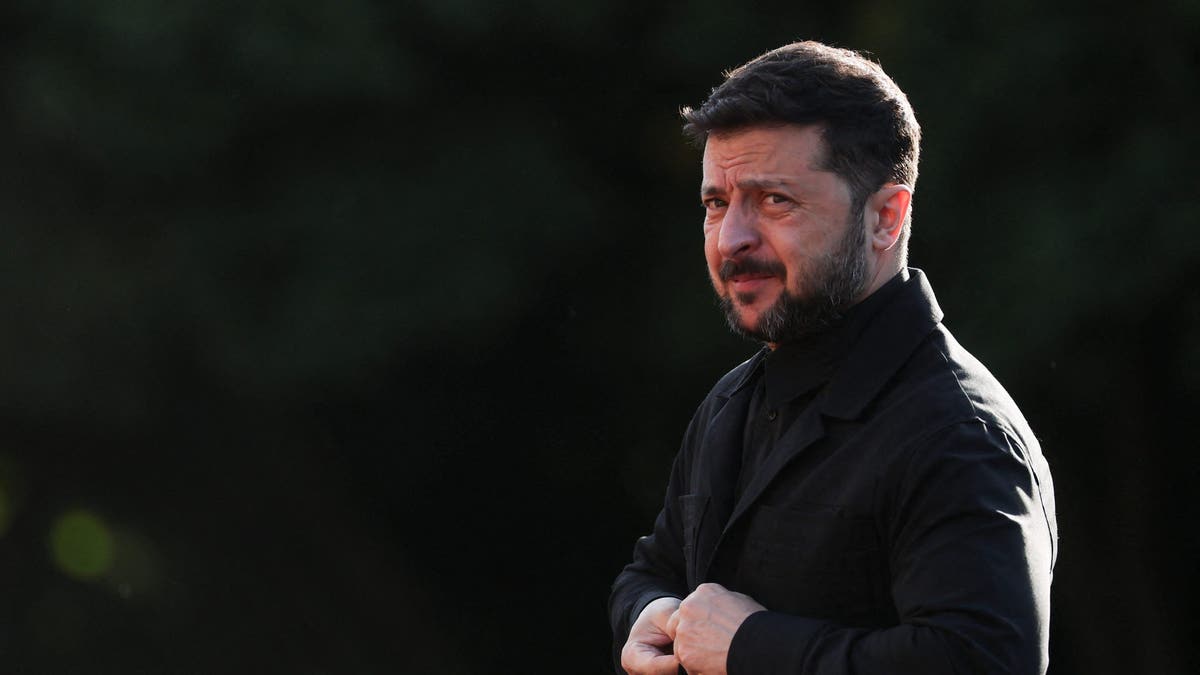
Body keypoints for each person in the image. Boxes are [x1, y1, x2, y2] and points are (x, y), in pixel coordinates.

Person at [608, 41, 1058, 675]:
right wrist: (650, 613)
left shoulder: (959, 433)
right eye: (716, 204)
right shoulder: (730, 403)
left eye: (774, 200)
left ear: (885, 217)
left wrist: (751, 646)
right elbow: (654, 568)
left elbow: (984, 662)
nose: (731, 239)